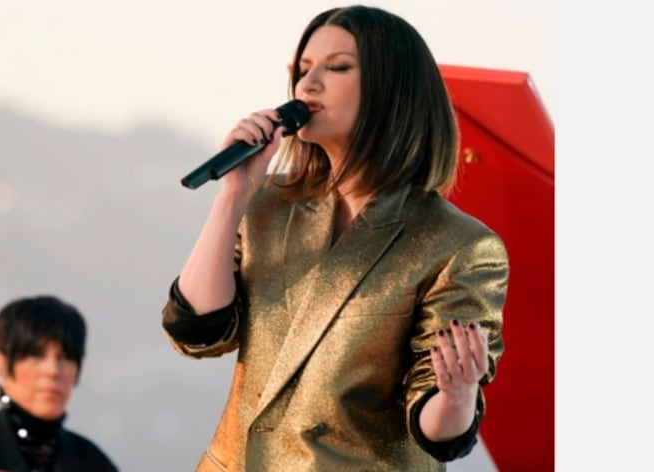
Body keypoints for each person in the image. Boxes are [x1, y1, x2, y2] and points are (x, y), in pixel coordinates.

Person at [161, 4, 509, 471]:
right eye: (304, 70)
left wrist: (458, 395)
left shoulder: (459, 246)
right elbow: (198, 332)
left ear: (392, 88)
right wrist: (233, 197)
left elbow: (437, 431)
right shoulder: (267, 204)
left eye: (338, 67)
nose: (308, 84)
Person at [0, 295, 118, 472]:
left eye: (65, 357)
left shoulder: (95, 464)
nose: (52, 371)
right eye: (36, 355)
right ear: (0, 366)